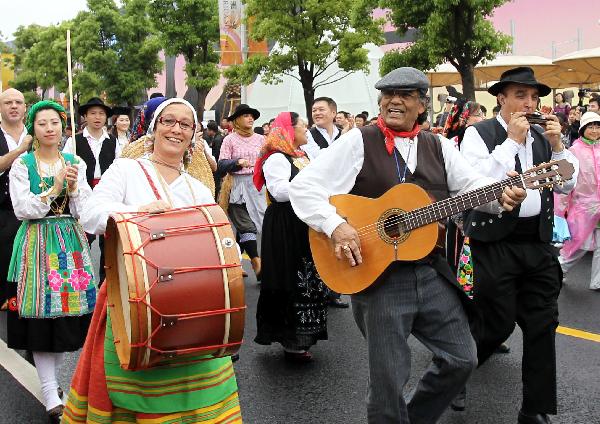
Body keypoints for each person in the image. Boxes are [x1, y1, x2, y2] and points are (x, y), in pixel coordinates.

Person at [288, 67, 526, 423]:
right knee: (388, 383)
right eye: (387, 94)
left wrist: (501, 194)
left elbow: (472, 186)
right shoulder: (359, 141)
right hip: (378, 276)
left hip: (429, 271)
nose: (394, 100)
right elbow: (303, 187)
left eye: (405, 94)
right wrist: (335, 225)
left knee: (463, 358)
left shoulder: (438, 145)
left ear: (422, 105)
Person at [63, 98, 241, 423]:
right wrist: (137, 215)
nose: (176, 129)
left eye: (185, 124)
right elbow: (90, 216)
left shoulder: (198, 189)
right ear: (154, 128)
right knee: (132, 395)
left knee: (198, 398)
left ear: (193, 134)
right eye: (168, 121)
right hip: (131, 299)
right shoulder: (127, 169)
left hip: (190, 303)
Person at [460, 66, 579, 424]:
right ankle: (453, 373)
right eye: (520, 96)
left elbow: (567, 186)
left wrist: (559, 147)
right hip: (494, 242)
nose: (529, 103)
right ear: (501, 98)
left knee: (544, 323)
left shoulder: (544, 137)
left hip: (538, 243)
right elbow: (475, 187)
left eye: (533, 97)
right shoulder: (478, 134)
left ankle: (535, 409)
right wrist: (511, 141)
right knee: (495, 324)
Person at [8, 100, 96, 423]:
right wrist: (54, 188)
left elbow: (85, 208)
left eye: (55, 123)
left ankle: (54, 384)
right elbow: (23, 210)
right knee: (42, 320)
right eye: (43, 123)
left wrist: (73, 190)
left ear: (63, 127)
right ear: (34, 129)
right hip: (37, 245)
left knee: (65, 315)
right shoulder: (23, 165)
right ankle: (49, 392)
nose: (50, 128)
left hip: (69, 245)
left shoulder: (74, 162)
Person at [253, 112, 328, 362]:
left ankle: (304, 336)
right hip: (285, 222)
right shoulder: (277, 157)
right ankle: (291, 340)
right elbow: (278, 191)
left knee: (307, 275)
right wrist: (312, 187)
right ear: (289, 130)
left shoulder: (301, 155)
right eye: (303, 127)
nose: (307, 131)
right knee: (290, 275)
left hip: (303, 221)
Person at [63, 97, 119, 284]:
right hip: (82, 193)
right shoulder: (74, 141)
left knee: (108, 242)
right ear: (85, 116)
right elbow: (66, 166)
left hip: (106, 193)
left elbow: (118, 167)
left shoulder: (113, 141)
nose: (97, 117)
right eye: (93, 113)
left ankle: (106, 286)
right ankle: (78, 283)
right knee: (82, 240)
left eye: (101, 113)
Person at [218, 103, 266, 280]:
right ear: (237, 119)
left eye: (251, 116)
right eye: (246, 115)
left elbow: (268, 160)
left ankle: (235, 260)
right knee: (247, 226)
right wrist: (237, 162)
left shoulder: (261, 139)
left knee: (254, 226)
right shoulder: (229, 139)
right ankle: (256, 261)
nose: (250, 118)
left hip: (257, 186)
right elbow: (221, 164)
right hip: (236, 186)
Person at [556, 112, 600, 291]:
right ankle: (558, 271)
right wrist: (561, 210)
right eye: (591, 126)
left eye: (598, 127)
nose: (595, 130)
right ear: (582, 129)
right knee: (579, 245)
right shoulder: (574, 151)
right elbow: (565, 183)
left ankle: (597, 281)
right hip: (582, 206)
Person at [0, 88, 31, 309]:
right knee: (4, 257)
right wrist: (21, 150)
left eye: (18, 102)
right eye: (8, 102)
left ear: (25, 108)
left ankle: (29, 296)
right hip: (3, 208)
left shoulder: (37, 132)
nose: (13, 106)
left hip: (33, 206)